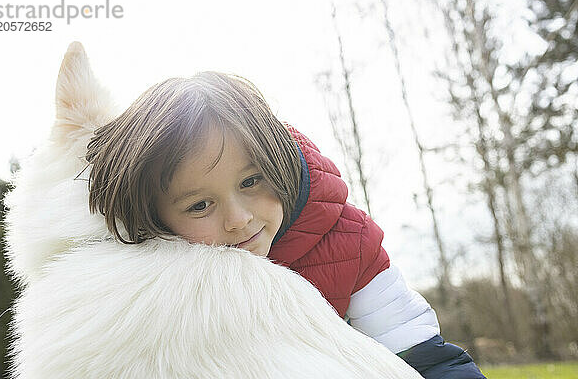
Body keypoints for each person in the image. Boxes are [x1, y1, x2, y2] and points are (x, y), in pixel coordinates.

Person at [86, 71, 486, 378]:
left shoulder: (349, 240)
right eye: (200, 205)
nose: (239, 219)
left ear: (278, 159)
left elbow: (422, 354)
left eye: (250, 181)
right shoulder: (149, 277)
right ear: (154, 217)